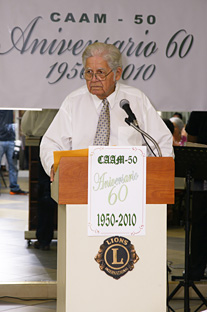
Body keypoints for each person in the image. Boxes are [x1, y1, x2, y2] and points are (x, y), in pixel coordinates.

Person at [40, 42, 174, 180]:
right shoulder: (73, 102)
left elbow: (161, 142)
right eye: (89, 72)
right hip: (82, 182)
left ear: (117, 74)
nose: (93, 79)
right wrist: (53, 165)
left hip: (128, 184)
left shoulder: (137, 100)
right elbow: (51, 142)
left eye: (100, 73)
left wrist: (159, 174)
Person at [21, 109, 58, 250]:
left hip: (46, 141)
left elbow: (26, 126)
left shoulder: (41, 100)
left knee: (46, 192)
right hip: (71, 142)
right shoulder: (71, 98)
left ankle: (44, 239)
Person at [185, 111, 207, 280]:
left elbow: (191, 138)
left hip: (202, 173)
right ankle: (196, 270)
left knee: (200, 223)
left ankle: (196, 270)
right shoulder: (200, 107)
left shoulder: (200, 107)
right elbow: (191, 138)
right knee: (199, 223)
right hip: (202, 173)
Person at [0, 110, 28, 195]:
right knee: (13, 166)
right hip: (2, 140)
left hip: (11, 139)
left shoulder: (10, 107)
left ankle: (14, 187)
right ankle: (14, 187)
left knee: (13, 165)